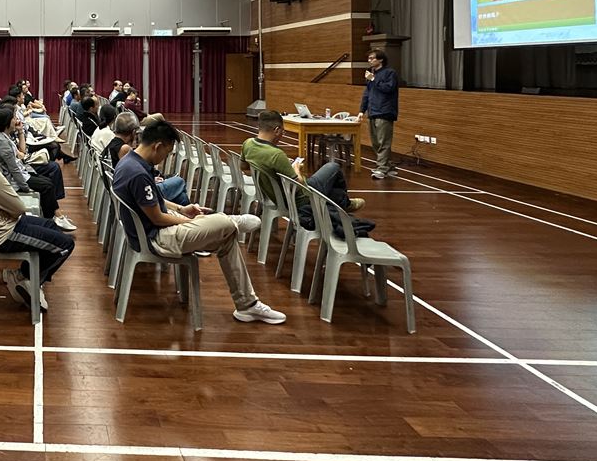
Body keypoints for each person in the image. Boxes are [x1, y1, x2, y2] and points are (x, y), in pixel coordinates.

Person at [112, 117, 285, 325]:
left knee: (227, 237)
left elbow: (153, 200)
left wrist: (181, 209)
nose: (165, 157)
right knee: (223, 225)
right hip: (157, 238)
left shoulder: (131, 162)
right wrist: (188, 222)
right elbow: (157, 217)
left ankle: (247, 305)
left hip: (152, 232)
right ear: (157, 146)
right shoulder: (137, 173)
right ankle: (228, 220)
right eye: (167, 152)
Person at [0, 120, 74, 311]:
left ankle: (22, 275)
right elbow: (19, 208)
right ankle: (27, 279)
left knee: (51, 226)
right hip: (4, 234)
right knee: (65, 245)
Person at [241, 111, 373, 238]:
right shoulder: (276, 155)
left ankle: (342, 202)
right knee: (333, 167)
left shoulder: (248, 144)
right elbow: (298, 185)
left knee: (334, 193)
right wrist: (296, 168)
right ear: (276, 130)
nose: (282, 135)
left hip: (276, 196)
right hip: (302, 197)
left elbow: (243, 166)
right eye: (282, 131)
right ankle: (345, 204)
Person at [0, 107, 73, 230]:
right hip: (14, 180)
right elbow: (14, 170)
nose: (16, 120)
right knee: (47, 186)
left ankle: (55, 216)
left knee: (47, 182)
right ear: (6, 122)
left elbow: (20, 155)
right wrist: (25, 187)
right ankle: (52, 219)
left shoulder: (4, 137)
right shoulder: (1, 142)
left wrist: (20, 131)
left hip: (23, 171)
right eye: (13, 118)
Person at [361, 49, 399, 179]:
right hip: (373, 111)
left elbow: (388, 88)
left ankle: (382, 168)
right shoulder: (371, 75)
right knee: (375, 142)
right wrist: (362, 110)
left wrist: (373, 79)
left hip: (385, 111)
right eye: (369, 58)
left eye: (372, 58)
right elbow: (367, 94)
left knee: (384, 142)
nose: (370, 60)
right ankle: (389, 166)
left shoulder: (390, 73)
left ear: (381, 59)